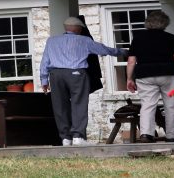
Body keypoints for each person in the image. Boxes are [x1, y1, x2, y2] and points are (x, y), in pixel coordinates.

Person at [40, 17, 127, 146]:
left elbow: (45, 61)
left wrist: (44, 80)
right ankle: (78, 137)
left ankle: (65, 138)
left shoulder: (51, 41)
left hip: (56, 75)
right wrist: (124, 52)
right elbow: (104, 50)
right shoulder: (85, 40)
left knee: (60, 106)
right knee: (78, 104)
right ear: (79, 28)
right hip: (76, 74)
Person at [126, 10, 174, 143]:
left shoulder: (138, 38)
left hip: (145, 77)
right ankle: (173, 136)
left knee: (147, 105)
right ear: (165, 23)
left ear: (148, 23)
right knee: (171, 104)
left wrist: (129, 78)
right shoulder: (170, 38)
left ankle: (146, 134)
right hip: (169, 78)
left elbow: (131, 61)